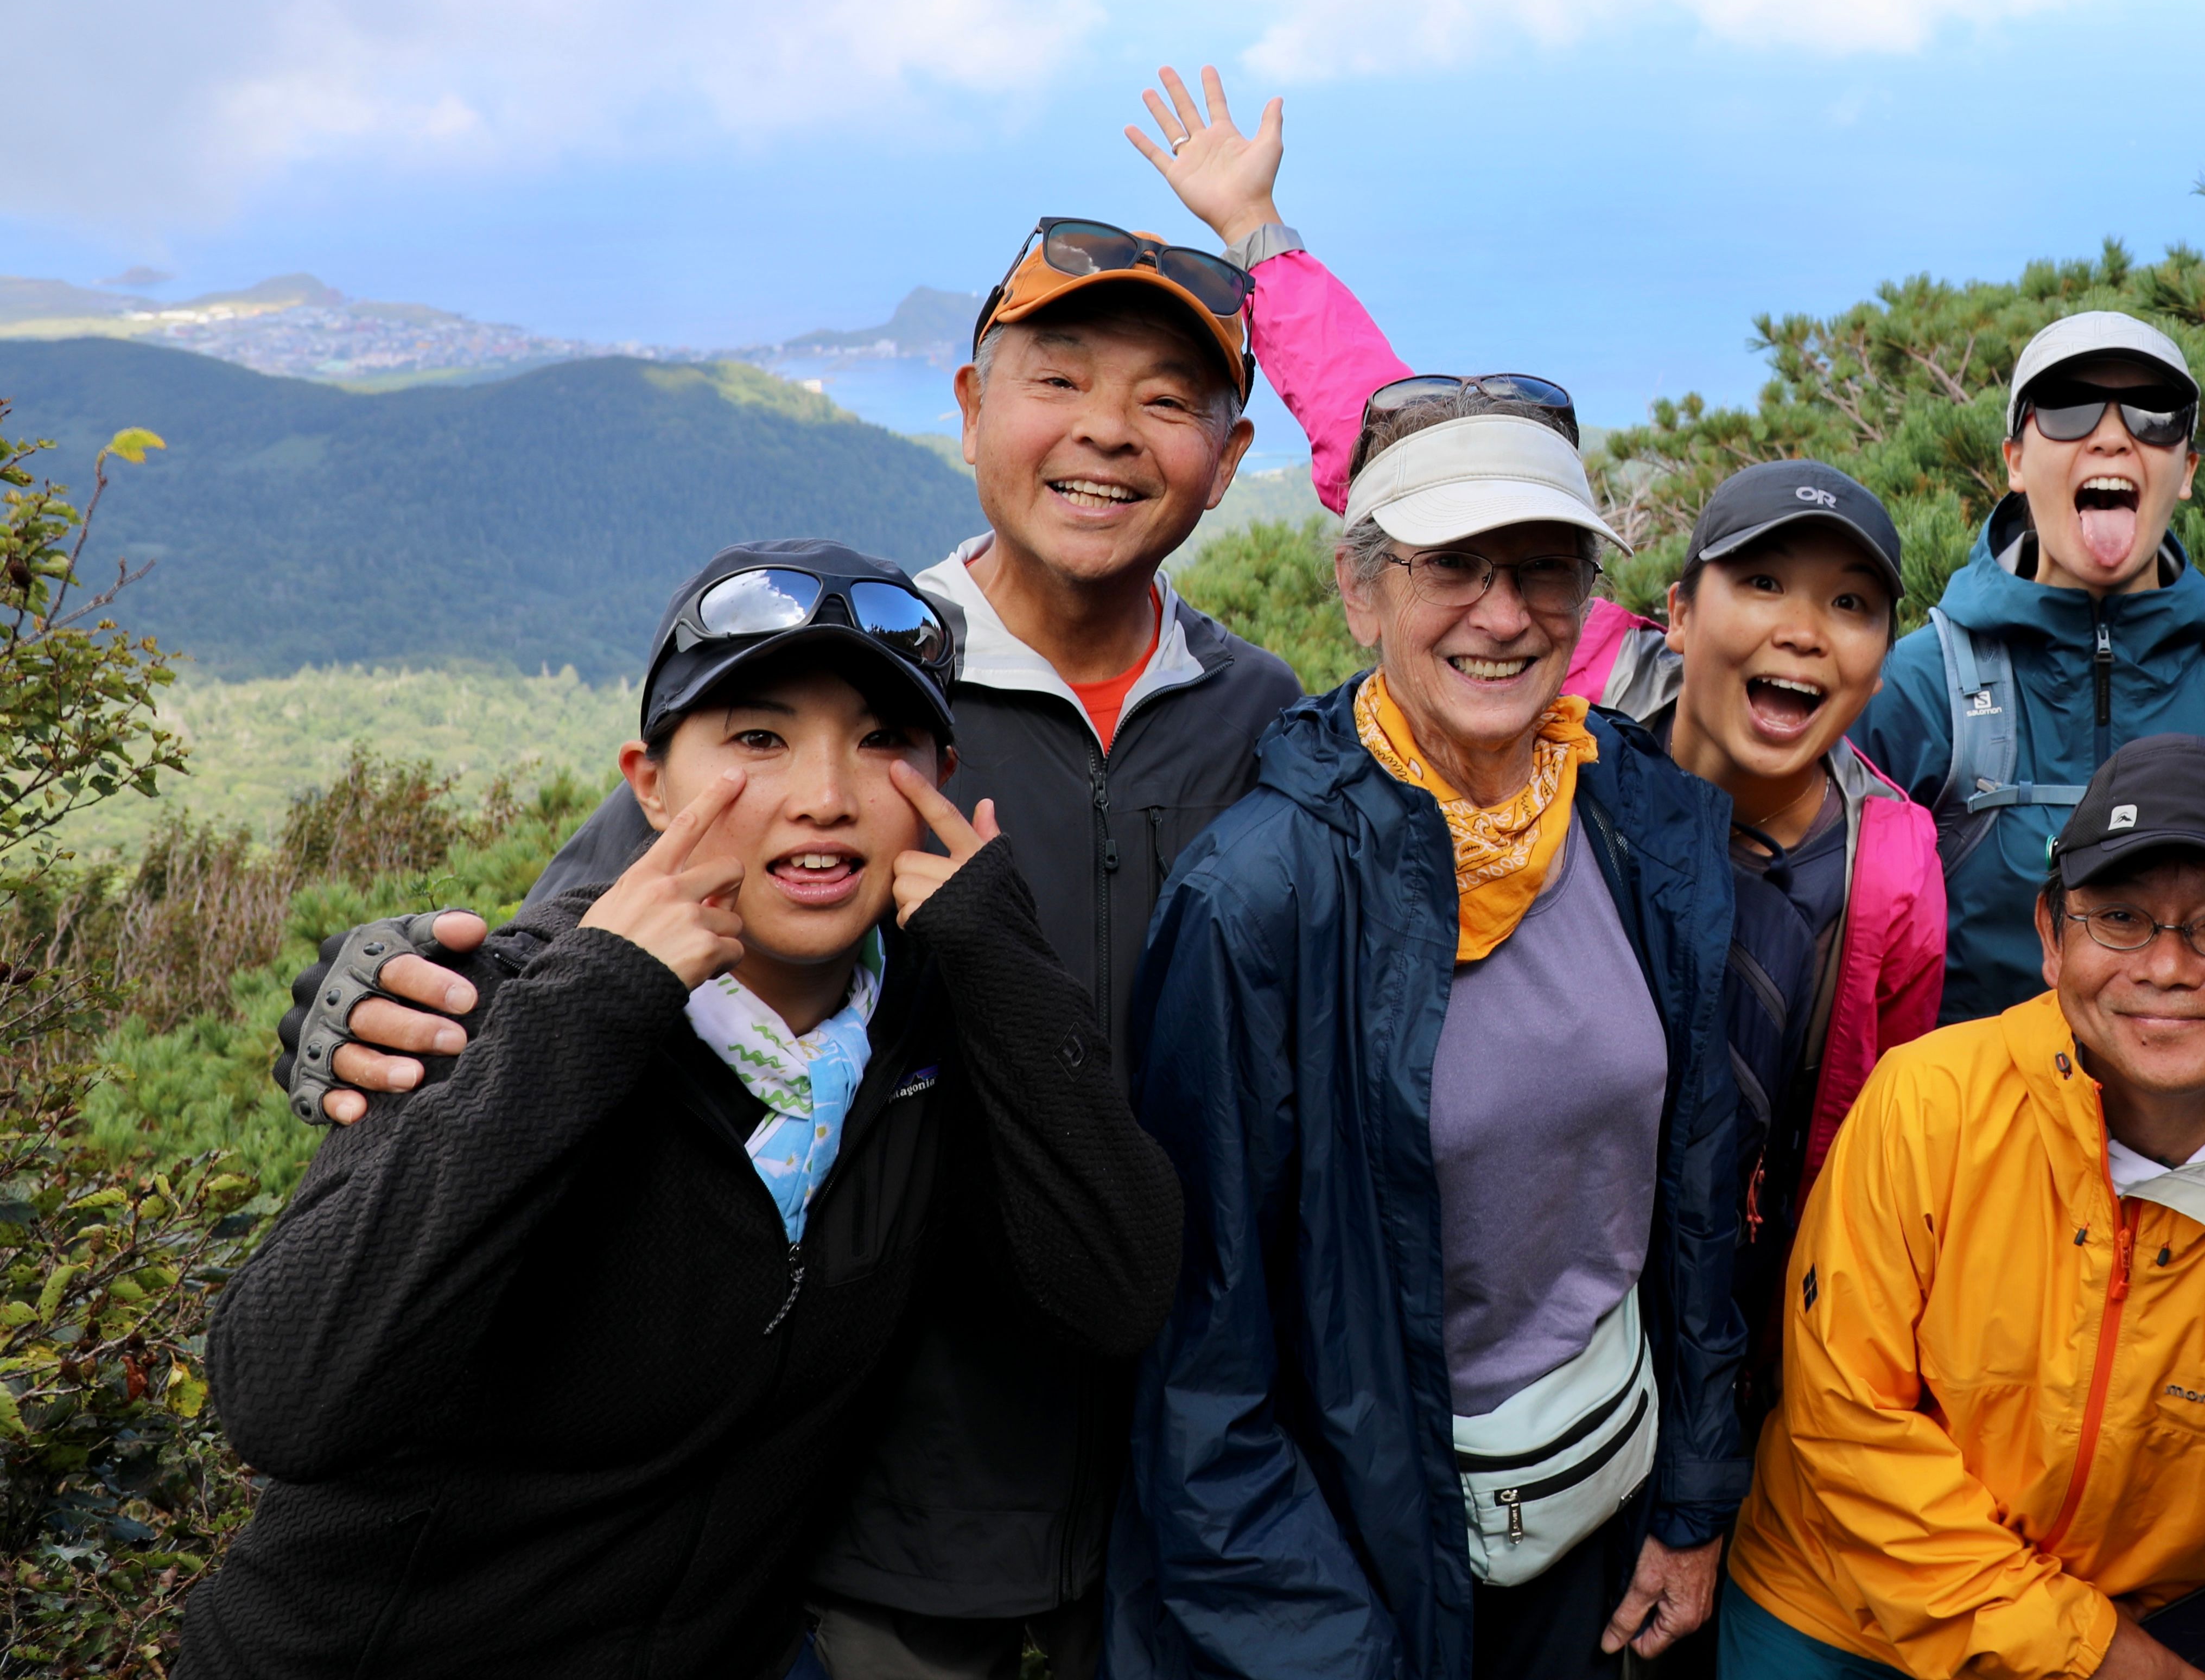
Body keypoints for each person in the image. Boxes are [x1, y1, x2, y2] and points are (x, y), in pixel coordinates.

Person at [273, 221, 1304, 1679]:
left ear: (1231, 446)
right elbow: (581, 950)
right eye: (1058, 379)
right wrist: (373, 988)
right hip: (859, 1518)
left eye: (1167, 402)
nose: (1106, 435)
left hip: (1176, 1491)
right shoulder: (856, 685)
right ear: (968, 407)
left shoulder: (1263, 716)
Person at [179, 542, 1183, 1680]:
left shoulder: (920, 1039)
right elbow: (286, 1398)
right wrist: (598, 1002)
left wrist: (1001, 956)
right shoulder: (494, 1004)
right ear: (648, 783)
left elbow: (1115, 1287)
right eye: (757, 738)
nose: (826, 793)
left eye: (882, 741)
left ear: (939, 779)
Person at [1125, 65, 1946, 1215]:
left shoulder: (1893, 860)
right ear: (1679, 607)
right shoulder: (1582, 672)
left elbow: (1887, 1125)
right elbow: (1390, 454)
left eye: (1853, 605)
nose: (1803, 632)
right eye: (1762, 583)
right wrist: (1259, 234)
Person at [1112, 395, 1748, 1678]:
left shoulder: (1643, 820)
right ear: (1360, 590)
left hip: (1597, 1514)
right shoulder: (1261, 898)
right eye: (1452, 565)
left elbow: (1692, 1199)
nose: (1504, 613)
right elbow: (1202, 1361)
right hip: (1357, 1556)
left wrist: (1691, 1505)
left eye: (1543, 568)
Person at [1723, 735, 2205, 1680]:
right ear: (2051, 938)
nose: (2166, 968)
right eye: (2119, 918)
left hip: (2150, 1629)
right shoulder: (1926, 1105)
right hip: (1839, 1607)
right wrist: (2098, 1660)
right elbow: (1847, 1430)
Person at [1846, 309, 2205, 1023]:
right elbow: (1853, 966)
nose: (2112, 436)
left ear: (2188, 470)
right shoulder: (1916, 686)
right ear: (2015, 461)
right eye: (2070, 409)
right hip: (1975, 1124)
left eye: (2153, 416)